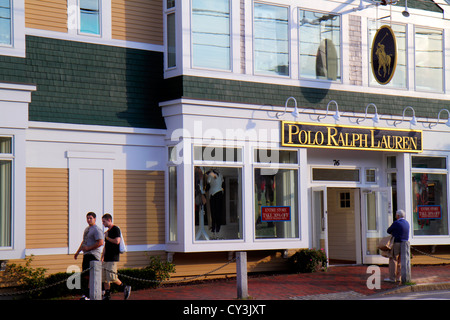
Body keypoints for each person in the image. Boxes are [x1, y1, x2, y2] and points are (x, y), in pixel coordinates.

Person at [74, 212, 104, 300]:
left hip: (93, 255)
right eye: (87, 218)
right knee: (86, 275)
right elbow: (84, 242)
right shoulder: (87, 229)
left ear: (95, 219)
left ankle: (89, 295)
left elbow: (100, 242)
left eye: (90, 218)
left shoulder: (97, 229)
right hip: (86, 255)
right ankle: (90, 293)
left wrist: (89, 248)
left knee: (91, 275)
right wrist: (77, 252)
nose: (89, 220)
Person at [101, 213, 131, 300]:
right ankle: (107, 294)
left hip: (113, 257)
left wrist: (107, 238)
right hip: (106, 257)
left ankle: (125, 287)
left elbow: (117, 241)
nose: (103, 223)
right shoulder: (108, 232)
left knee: (112, 277)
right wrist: (102, 257)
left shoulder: (116, 229)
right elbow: (106, 246)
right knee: (105, 278)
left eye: (104, 221)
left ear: (109, 220)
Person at [385, 209, 410, 282]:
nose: (396, 216)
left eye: (396, 215)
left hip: (397, 243)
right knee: (400, 260)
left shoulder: (396, 223)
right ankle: (399, 277)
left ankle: (392, 278)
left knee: (393, 259)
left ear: (398, 216)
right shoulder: (407, 223)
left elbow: (388, 230)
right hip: (404, 244)